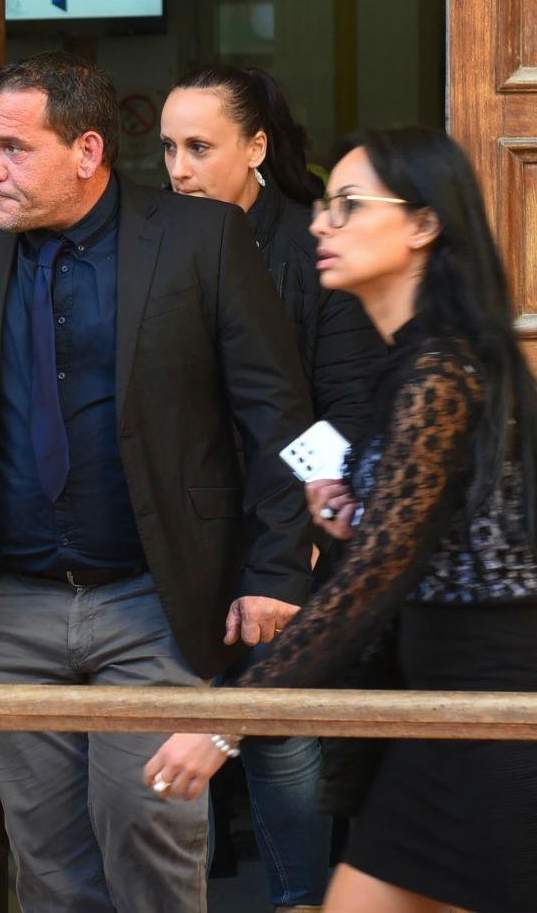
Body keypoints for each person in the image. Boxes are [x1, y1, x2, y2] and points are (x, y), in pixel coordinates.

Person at [0, 51, 314, 912]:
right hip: (14, 609)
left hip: (155, 600)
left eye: (11, 148)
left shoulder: (198, 238)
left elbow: (276, 415)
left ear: (86, 152)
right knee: (46, 864)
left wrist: (276, 570)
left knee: (145, 839)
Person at [144, 127, 537, 913]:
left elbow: (368, 585)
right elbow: (418, 538)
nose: (322, 224)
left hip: (501, 719)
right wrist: (350, 509)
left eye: (349, 207)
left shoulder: (442, 370)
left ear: (424, 225)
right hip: (435, 719)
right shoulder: (411, 360)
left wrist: (229, 722)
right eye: (325, 207)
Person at [160, 66, 385, 911]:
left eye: (198, 148)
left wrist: (306, 511)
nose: (178, 168)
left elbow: (343, 405)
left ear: (254, 148)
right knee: (177, 709)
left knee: (280, 729)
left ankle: (299, 897)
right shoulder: (157, 237)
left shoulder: (307, 243)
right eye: (168, 150)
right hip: (182, 518)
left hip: (288, 525)